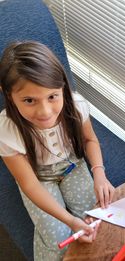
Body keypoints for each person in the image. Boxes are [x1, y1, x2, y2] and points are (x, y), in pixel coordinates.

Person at [0, 41, 115, 260]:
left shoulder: (76, 105)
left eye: (52, 96)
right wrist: (70, 221)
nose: (45, 112)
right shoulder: (6, 130)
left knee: (95, 220)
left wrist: (99, 173)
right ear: (7, 93)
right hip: (38, 177)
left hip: (72, 166)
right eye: (29, 100)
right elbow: (29, 184)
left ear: (62, 86)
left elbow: (90, 139)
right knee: (57, 241)